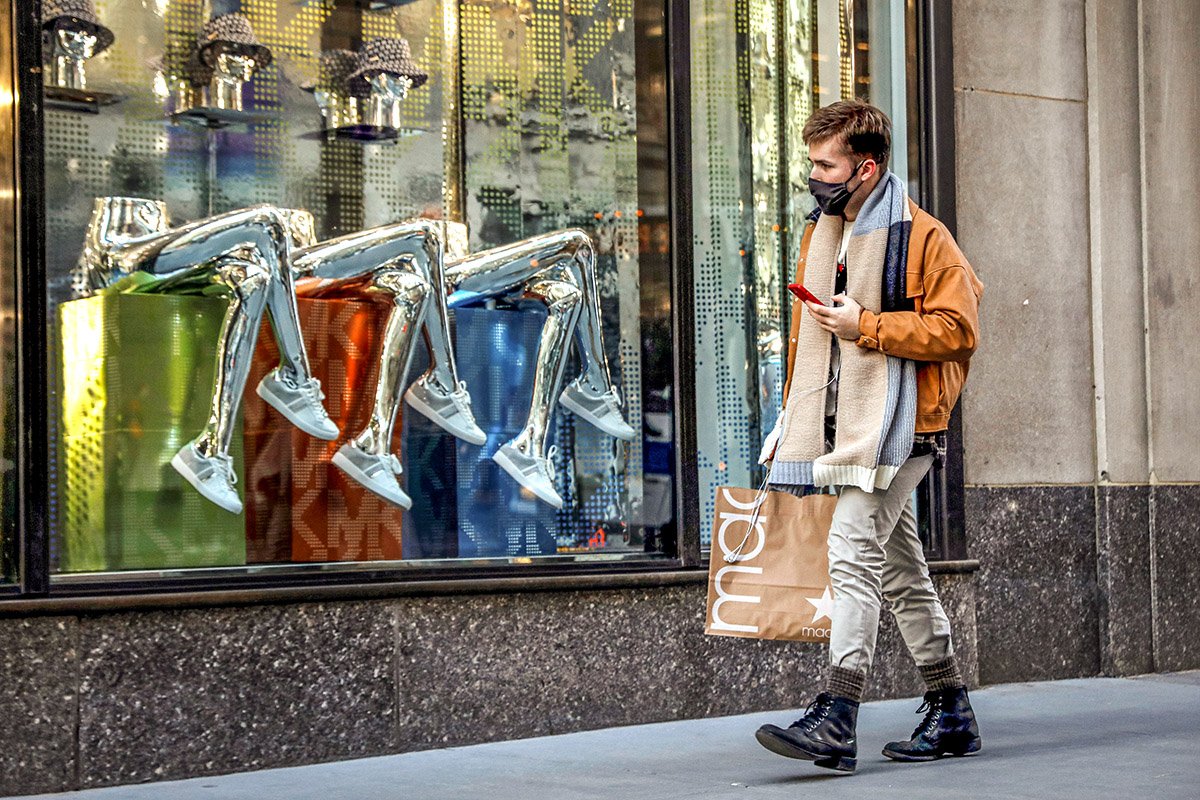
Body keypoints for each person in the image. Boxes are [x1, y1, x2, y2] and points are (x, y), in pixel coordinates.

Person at [754, 100, 984, 774]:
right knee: (901, 571)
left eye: (826, 164)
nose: (814, 177)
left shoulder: (924, 237)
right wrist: (788, 421)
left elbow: (959, 329)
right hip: (840, 430)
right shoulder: (823, 232)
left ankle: (837, 713)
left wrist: (872, 327)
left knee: (852, 547)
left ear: (866, 166)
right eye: (812, 163)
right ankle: (951, 712)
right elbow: (812, 343)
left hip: (902, 428)